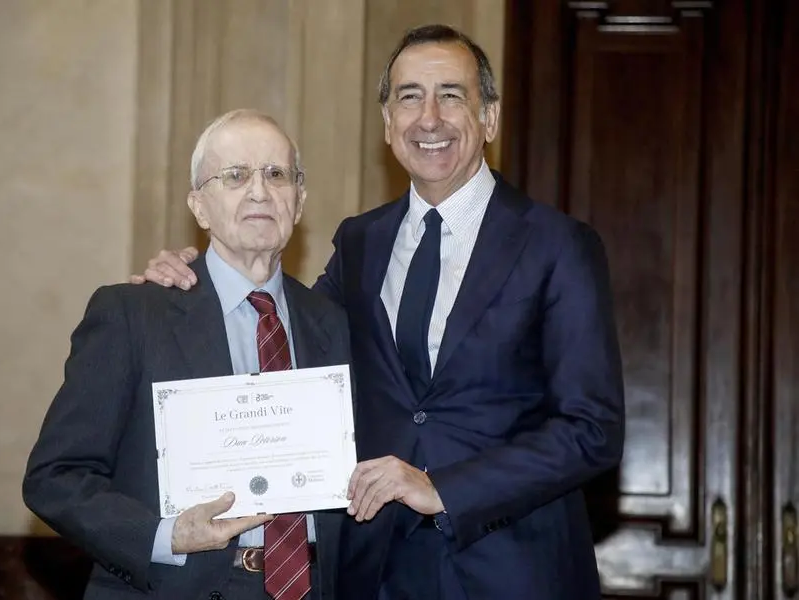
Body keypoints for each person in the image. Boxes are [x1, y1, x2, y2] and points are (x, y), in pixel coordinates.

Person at [132, 24, 625, 600]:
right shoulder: (360, 243)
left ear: (489, 117)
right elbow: (288, 338)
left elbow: (593, 429)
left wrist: (444, 488)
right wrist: (199, 275)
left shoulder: (558, 245)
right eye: (409, 97)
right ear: (388, 123)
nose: (429, 117)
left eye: (452, 95)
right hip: (377, 572)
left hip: (515, 570)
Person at [23, 109, 352, 600]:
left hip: (313, 586)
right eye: (236, 175)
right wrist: (165, 536)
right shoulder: (133, 314)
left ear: (299, 201)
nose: (260, 191)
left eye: (276, 174)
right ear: (199, 207)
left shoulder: (331, 323)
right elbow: (55, 478)